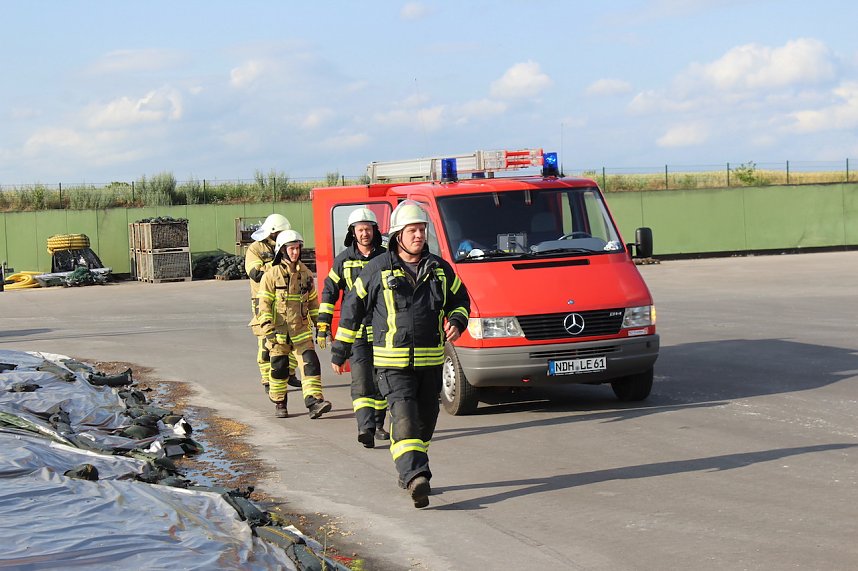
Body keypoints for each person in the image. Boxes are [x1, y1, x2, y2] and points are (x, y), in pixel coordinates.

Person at [331, 200, 470, 508]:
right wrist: (340, 350)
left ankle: (408, 468)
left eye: (421, 229)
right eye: (412, 230)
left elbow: (460, 299)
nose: (418, 235)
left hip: (431, 363)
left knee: (425, 423)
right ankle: (417, 476)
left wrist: (458, 320)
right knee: (404, 417)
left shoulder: (440, 270)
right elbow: (352, 309)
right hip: (392, 365)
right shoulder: (376, 270)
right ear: (397, 235)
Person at [317, 207, 388, 449]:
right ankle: (365, 428)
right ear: (353, 233)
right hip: (355, 333)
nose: (365, 233)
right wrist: (323, 324)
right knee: (361, 382)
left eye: (368, 229)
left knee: (381, 381)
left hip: (383, 333)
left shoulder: (386, 257)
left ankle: (379, 426)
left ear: (374, 231)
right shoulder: (343, 260)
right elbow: (328, 292)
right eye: (360, 229)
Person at [257, 230, 332, 419]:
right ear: (282, 250)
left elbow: (313, 304)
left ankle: (314, 402)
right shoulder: (271, 275)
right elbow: (264, 305)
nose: (295, 253)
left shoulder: (305, 274)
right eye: (291, 249)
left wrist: (321, 327)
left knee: (311, 365)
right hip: (278, 334)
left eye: (297, 248)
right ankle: (280, 402)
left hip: (301, 332)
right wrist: (268, 329)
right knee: (279, 369)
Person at [245, 214, 300, 394]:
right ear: (274, 232)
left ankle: (289, 373)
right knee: (266, 341)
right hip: (264, 300)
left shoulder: (286, 246)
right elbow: (255, 273)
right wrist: (277, 265)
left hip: (288, 299)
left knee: (293, 338)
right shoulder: (256, 248)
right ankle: (267, 379)